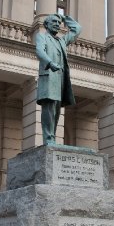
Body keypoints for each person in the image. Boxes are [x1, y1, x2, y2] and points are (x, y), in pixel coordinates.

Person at [35, 13, 82, 145]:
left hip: (60, 79)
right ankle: (48, 138)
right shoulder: (42, 37)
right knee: (49, 108)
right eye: (54, 22)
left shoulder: (61, 41)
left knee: (56, 111)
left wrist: (65, 18)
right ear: (47, 24)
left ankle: (52, 138)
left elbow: (77, 29)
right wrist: (50, 63)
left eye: (58, 22)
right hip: (48, 76)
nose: (57, 24)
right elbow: (39, 51)